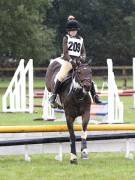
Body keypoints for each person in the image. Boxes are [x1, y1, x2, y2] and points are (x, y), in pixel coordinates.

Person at [49, 19, 101, 107]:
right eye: (71, 30)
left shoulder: (80, 39)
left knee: (86, 76)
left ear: (76, 30)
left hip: (78, 62)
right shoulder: (66, 38)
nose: (73, 32)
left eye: (74, 30)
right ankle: (53, 96)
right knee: (61, 76)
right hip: (68, 61)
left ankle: (95, 96)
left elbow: (83, 52)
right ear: (68, 31)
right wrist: (70, 60)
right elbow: (65, 52)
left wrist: (82, 58)